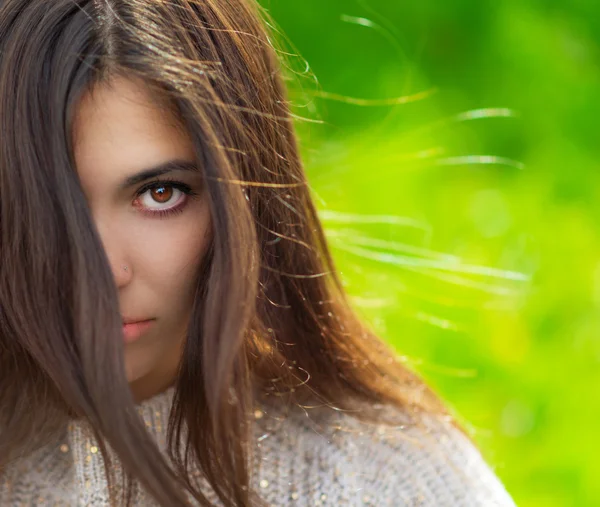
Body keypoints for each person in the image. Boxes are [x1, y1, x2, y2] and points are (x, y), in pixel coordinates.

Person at [0, 0, 517, 505]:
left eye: (161, 193)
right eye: (45, 204)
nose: (105, 271)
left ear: (248, 198)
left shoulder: (382, 481)